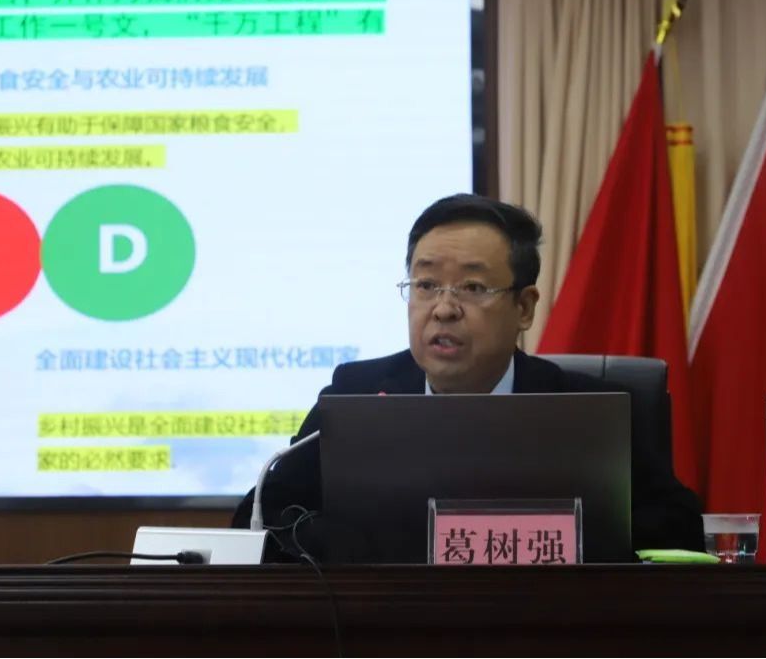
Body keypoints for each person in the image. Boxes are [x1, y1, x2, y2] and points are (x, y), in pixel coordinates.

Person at [232, 193, 704, 557]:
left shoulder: (589, 408)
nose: (443, 309)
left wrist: (531, 537)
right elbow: (260, 516)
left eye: (473, 287)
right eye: (426, 284)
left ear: (524, 307)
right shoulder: (359, 394)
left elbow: (678, 526)